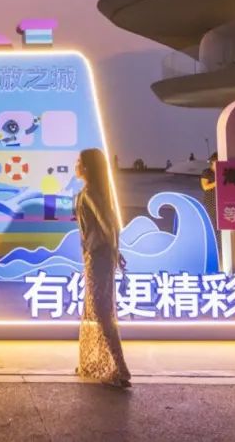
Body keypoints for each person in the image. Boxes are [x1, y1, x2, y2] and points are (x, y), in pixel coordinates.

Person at [74, 148, 131, 388]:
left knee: (100, 310)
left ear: (87, 168)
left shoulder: (89, 193)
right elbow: (109, 225)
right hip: (96, 255)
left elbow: (108, 224)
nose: (76, 165)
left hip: (98, 256)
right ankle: (95, 362)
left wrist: (114, 252)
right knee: (95, 308)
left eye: (79, 162)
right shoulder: (92, 192)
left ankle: (119, 368)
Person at [199, 153, 218, 231]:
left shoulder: (222, 171)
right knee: (213, 222)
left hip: (221, 199)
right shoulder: (207, 172)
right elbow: (205, 187)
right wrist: (216, 183)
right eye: (217, 160)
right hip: (211, 200)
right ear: (213, 161)